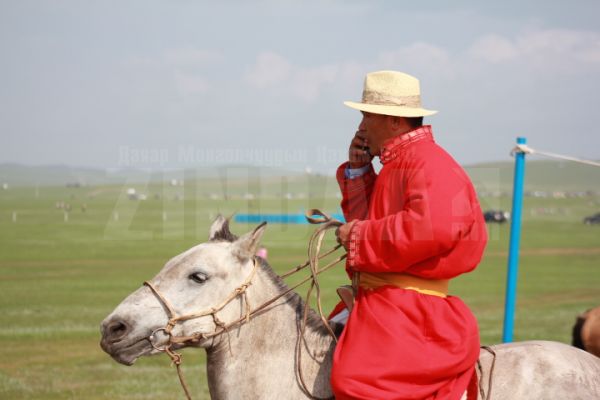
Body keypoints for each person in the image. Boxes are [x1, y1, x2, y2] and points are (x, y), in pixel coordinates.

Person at [330, 70, 488, 400]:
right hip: (383, 301)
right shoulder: (399, 163)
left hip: (412, 310)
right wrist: (359, 169)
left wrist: (359, 235)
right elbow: (374, 224)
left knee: (354, 381)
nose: (361, 126)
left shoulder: (430, 162)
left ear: (393, 121)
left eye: (367, 115)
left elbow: (432, 229)